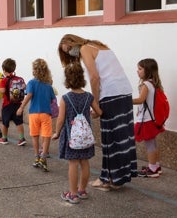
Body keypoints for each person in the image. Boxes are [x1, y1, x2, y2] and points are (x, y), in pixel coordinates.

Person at [58, 34, 137, 190]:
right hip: (125, 92)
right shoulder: (99, 46)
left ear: (71, 42)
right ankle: (120, 177)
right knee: (123, 136)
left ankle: (106, 179)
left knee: (110, 138)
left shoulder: (85, 48)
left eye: (67, 49)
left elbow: (94, 77)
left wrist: (96, 102)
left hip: (110, 95)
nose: (69, 53)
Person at [52, 63, 102, 204]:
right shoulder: (89, 97)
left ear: (67, 79)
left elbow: (61, 119)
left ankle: (72, 194)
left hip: (71, 137)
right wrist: (91, 114)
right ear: (82, 78)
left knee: (73, 163)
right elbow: (99, 112)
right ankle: (82, 190)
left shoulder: (66, 98)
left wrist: (56, 133)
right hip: (85, 137)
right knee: (84, 162)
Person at [16, 58, 56, 172]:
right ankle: (44, 158)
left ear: (34, 70)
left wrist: (21, 107)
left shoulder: (31, 83)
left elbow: (28, 95)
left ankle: (36, 157)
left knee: (35, 136)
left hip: (34, 113)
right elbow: (52, 100)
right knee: (46, 135)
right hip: (46, 114)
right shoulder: (48, 85)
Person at [132, 58, 165, 178]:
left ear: (148, 71)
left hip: (146, 120)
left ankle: (152, 169)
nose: (137, 71)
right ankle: (156, 166)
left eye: (140, 69)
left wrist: (126, 101)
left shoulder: (146, 85)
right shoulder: (153, 83)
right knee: (153, 143)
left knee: (150, 145)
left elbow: (141, 99)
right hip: (152, 119)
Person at [0, 58, 27, 146]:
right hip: (18, 104)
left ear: (4, 70)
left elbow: (2, 91)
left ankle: (4, 138)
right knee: (19, 122)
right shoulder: (20, 79)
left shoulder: (4, 80)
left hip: (7, 105)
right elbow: (24, 87)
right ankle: (21, 138)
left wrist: (1, 88)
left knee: (5, 122)